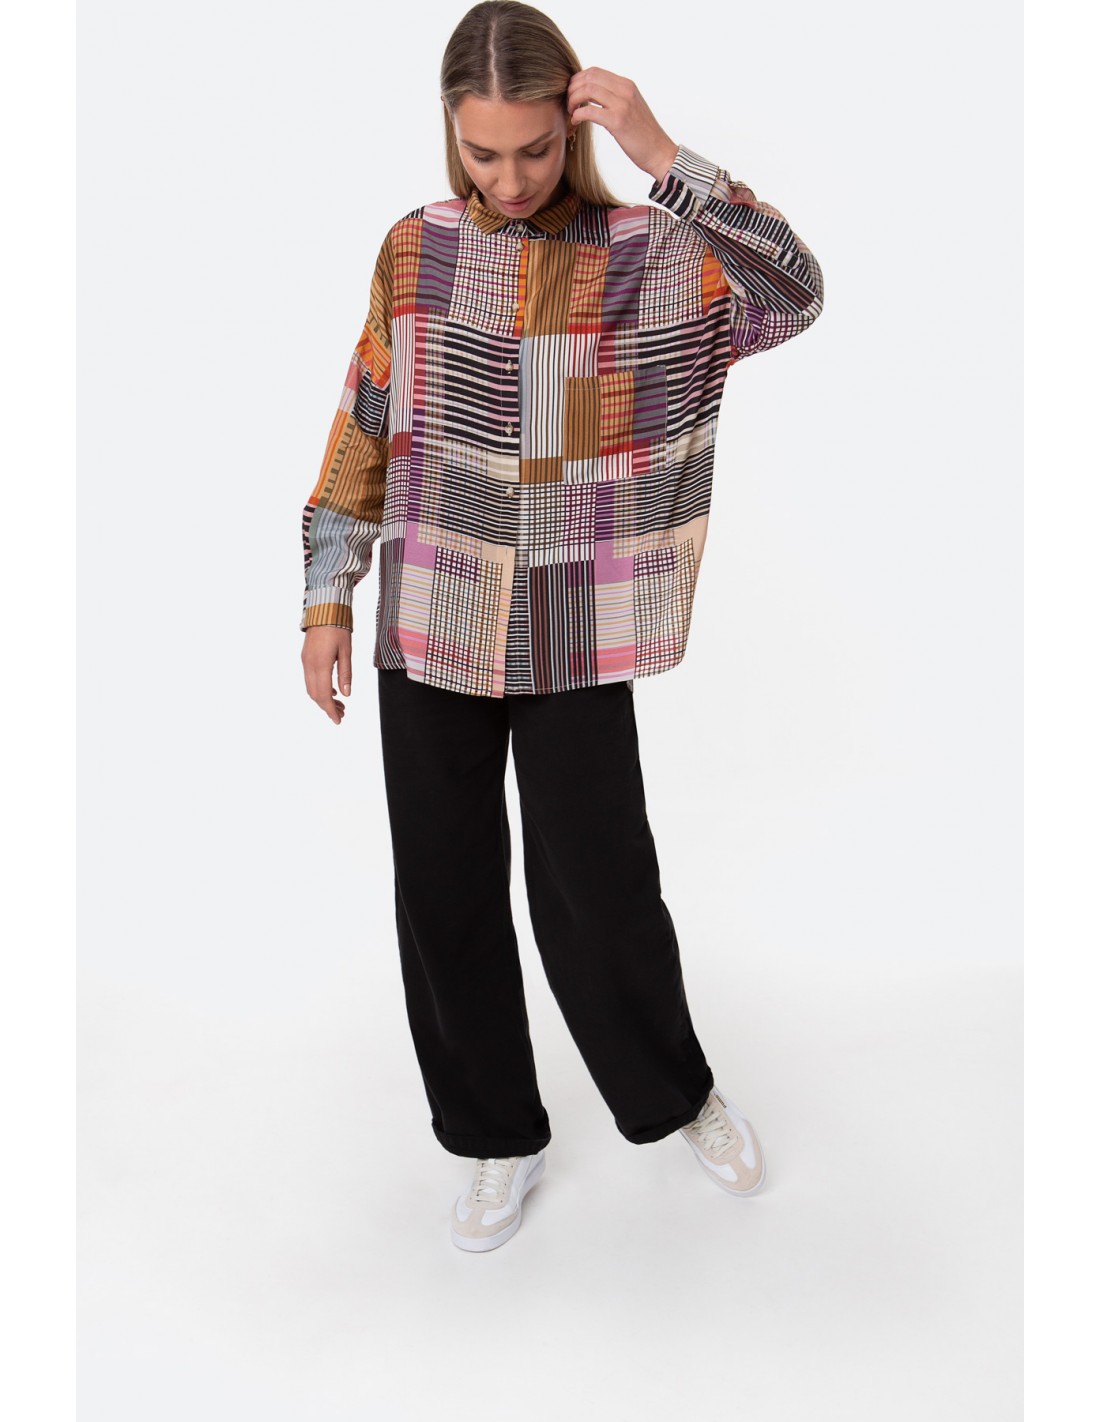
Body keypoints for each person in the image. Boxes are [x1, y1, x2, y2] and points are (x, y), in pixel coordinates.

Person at [299, 1, 824, 1253]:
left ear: (570, 125)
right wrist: (326, 593)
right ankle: (494, 1136)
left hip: (577, 621)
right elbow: (367, 413)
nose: (509, 177)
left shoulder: (648, 251)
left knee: (600, 885)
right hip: (430, 613)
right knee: (443, 890)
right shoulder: (414, 249)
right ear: (450, 131)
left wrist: (662, 152)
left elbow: (794, 291)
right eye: (482, 152)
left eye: (533, 149)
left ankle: (675, 1096)